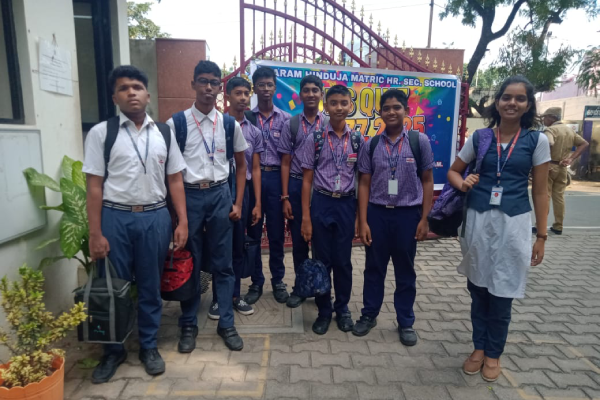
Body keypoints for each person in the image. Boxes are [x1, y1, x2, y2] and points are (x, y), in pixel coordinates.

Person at [83, 65, 188, 383]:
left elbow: (175, 179)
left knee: (150, 286)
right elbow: (94, 186)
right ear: (114, 97)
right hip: (115, 217)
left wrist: (182, 221)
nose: (131, 92)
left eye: (137, 87)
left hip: (155, 217)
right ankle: (112, 351)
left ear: (148, 94)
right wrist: (95, 233)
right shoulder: (102, 133)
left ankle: (148, 346)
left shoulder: (164, 133)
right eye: (124, 88)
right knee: (113, 288)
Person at [447, 76, 550, 382]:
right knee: (478, 290)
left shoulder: (537, 141)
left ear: (528, 105)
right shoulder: (480, 138)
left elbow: (541, 192)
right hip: (477, 223)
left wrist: (541, 236)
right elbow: (453, 172)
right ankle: (478, 348)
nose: (512, 103)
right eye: (506, 97)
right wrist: (463, 183)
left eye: (520, 98)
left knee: (503, 292)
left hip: (513, 224)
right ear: (498, 101)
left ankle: (493, 353)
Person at [166, 60, 248, 353]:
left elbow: (242, 166)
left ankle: (226, 323)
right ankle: (189, 324)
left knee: (223, 264)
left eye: (214, 82)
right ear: (193, 84)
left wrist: (238, 202)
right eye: (203, 81)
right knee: (191, 261)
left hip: (219, 196)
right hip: (189, 197)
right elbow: (171, 173)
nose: (209, 88)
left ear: (219, 87)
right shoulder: (176, 124)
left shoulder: (229, 124)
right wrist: (178, 216)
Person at [354, 89, 434, 346]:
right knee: (373, 268)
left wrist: (424, 218)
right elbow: (364, 183)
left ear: (406, 111)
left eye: (396, 107)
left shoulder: (419, 141)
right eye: (386, 108)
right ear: (380, 112)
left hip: (407, 215)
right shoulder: (371, 144)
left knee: (405, 270)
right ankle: (369, 314)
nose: (391, 112)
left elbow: (428, 181)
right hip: (377, 214)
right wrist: (363, 221)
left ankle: (405, 321)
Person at [298, 84, 363, 335]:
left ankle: (342, 309)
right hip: (322, 203)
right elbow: (306, 180)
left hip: (346, 204)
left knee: (343, 261)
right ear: (325, 106)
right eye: (333, 103)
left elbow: (362, 180)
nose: (339, 107)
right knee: (322, 261)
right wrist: (306, 217)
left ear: (350, 106)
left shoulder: (357, 140)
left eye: (343, 103)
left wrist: (358, 217)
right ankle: (324, 311)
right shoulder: (314, 139)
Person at [206, 77, 264, 319]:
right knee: (220, 246)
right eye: (238, 93)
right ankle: (218, 298)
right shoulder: (215, 125)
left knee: (239, 246)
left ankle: (235, 295)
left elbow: (255, 169)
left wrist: (257, 203)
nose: (243, 98)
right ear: (227, 96)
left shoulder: (255, 131)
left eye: (246, 93)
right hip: (219, 189)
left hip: (244, 189)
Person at [243, 66, 292, 305]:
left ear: (275, 87)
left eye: (269, 84)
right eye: (261, 84)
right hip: (251, 180)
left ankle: (278, 280)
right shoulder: (247, 118)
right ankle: (256, 281)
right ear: (255, 88)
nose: (265, 89)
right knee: (253, 232)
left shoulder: (286, 119)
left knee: (276, 233)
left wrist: (284, 194)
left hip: (275, 178)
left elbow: (287, 158)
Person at [278, 74, 327, 309]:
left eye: (315, 90)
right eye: (306, 90)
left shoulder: (329, 124)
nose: (310, 94)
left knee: (321, 243)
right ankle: (300, 288)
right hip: (298, 186)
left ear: (321, 94)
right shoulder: (292, 124)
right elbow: (285, 162)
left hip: (323, 188)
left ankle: (321, 289)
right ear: (300, 95)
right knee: (299, 242)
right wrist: (285, 196)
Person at [540, 107, 589, 235]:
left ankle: (541, 225)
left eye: (545, 117)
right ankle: (558, 226)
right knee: (559, 197)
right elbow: (584, 143)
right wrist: (571, 158)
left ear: (551, 117)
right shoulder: (569, 130)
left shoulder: (550, 130)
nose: (544, 120)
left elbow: (549, 142)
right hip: (562, 168)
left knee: (545, 196)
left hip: (549, 166)